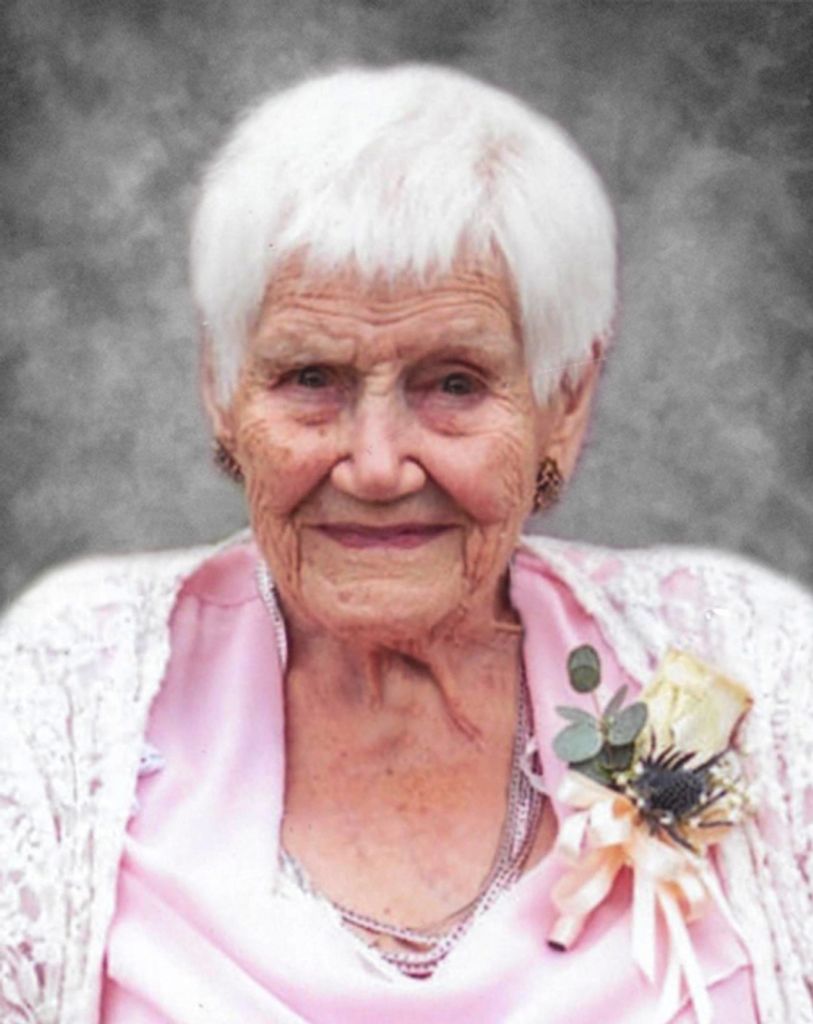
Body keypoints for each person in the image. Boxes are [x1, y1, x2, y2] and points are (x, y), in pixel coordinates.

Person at [0, 64, 811, 1024]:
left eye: (454, 383)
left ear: (563, 402)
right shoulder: (58, 694)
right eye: (311, 378)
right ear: (222, 388)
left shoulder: (756, 667)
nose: (377, 466)